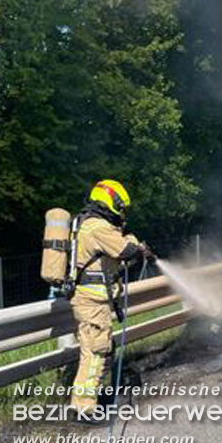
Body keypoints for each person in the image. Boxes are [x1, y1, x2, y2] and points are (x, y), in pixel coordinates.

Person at [70, 179, 154, 418]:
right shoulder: (98, 227)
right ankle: (84, 407)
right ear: (111, 202)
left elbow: (114, 254)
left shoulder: (86, 224)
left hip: (93, 301)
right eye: (121, 206)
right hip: (92, 302)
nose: (121, 212)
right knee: (95, 352)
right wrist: (139, 248)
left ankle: (94, 396)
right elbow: (124, 251)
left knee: (103, 348)